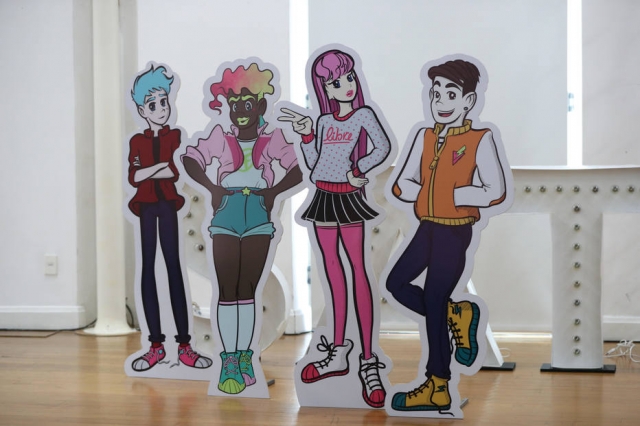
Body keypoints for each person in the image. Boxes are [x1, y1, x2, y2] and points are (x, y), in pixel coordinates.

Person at [386, 59, 507, 412]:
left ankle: (437, 385)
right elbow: (402, 184)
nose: (440, 101)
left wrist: (450, 196)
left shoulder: (479, 139)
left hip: (455, 231)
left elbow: (494, 190)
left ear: (469, 101)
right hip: (427, 227)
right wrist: (427, 195)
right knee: (396, 283)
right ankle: (457, 313)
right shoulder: (424, 136)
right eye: (435, 93)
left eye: (450, 94)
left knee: (435, 297)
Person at [280, 49, 391, 408]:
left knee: (359, 269)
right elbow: (315, 167)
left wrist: (358, 170)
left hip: (349, 197)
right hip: (323, 196)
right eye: (334, 82)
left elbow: (382, 147)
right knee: (332, 273)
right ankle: (339, 351)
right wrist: (306, 137)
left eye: (348, 77)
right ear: (324, 89)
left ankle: (368, 360)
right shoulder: (325, 122)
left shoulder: (363, 115)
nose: (345, 85)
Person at [182, 62, 302, 395]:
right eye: (234, 105)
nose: (240, 112)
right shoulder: (220, 137)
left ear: (261, 106)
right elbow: (191, 158)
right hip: (226, 211)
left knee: (248, 289)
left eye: (248, 104)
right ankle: (229, 360)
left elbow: (298, 167)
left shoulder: (273, 138)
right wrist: (212, 188)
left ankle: (245, 356)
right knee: (227, 289)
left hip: (258, 214)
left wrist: (273, 192)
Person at [127, 65, 212, 372]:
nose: (161, 109)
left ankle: (185, 346)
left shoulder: (175, 136)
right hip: (145, 208)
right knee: (147, 269)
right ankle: (155, 346)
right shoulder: (137, 141)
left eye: (163, 102)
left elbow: (174, 171)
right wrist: (157, 168)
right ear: (141, 110)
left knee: (174, 268)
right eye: (153, 105)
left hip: (167, 205)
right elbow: (134, 176)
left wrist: (150, 171)